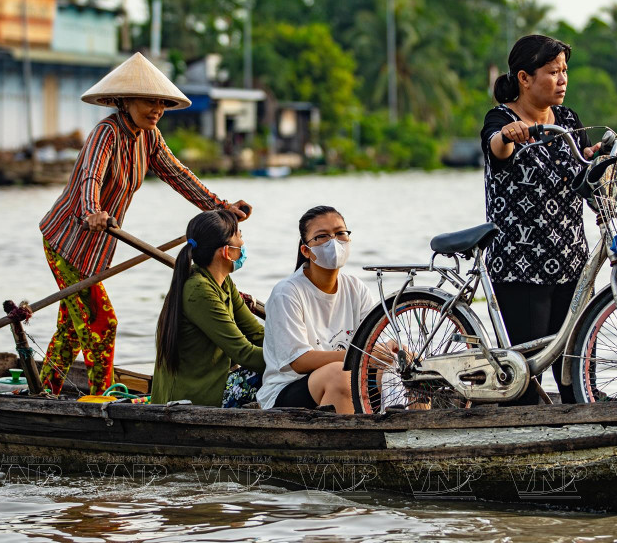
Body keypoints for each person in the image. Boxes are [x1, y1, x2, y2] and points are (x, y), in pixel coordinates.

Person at [37, 52, 252, 396]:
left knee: (73, 328)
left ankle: (44, 391)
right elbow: (90, 176)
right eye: (149, 101)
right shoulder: (105, 133)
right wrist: (93, 210)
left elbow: (179, 176)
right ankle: (99, 402)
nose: (156, 110)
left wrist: (222, 208)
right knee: (102, 324)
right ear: (125, 100)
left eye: (162, 103)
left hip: (94, 248)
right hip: (67, 241)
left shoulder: (149, 137)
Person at [480, 34, 603, 405]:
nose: (562, 79)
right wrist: (508, 135)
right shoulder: (501, 117)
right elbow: (495, 148)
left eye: (565, 71)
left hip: (572, 265)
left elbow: (579, 173)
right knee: (526, 382)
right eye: (552, 71)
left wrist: (593, 159)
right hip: (521, 269)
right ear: (524, 78)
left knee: (578, 376)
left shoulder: (567, 119)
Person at [257, 206, 379, 413]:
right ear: (306, 250)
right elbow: (299, 361)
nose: (334, 241)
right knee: (338, 375)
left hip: (345, 378)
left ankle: (416, 438)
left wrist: (390, 353)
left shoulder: (356, 288)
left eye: (340, 233)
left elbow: (374, 341)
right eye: (322, 236)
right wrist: (361, 355)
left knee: (407, 368)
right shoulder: (286, 293)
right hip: (286, 390)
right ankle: (351, 440)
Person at [151, 209, 264, 407]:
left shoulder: (224, 282)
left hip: (212, 386)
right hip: (192, 399)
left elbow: (256, 334)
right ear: (226, 251)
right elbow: (244, 354)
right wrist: (297, 362)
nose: (243, 244)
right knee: (278, 376)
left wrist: (306, 351)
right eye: (240, 236)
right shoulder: (199, 290)